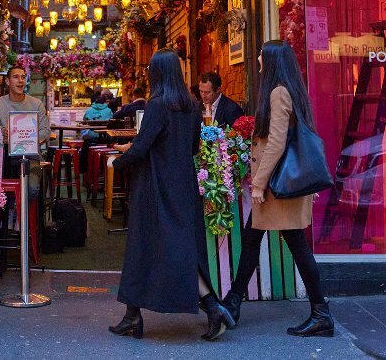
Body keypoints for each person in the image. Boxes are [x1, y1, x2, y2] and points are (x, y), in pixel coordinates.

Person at [108, 49, 235, 341]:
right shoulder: (191, 106)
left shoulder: (157, 106)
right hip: (183, 185)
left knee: (144, 247)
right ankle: (134, 315)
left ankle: (209, 308)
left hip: (155, 186)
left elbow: (141, 146)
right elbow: (192, 147)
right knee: (179, 247)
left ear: (157, 73)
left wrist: (117, 162)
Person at [223, 40, 334, 337]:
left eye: (261, 54)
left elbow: (277, 141)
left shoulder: (278, 92)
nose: (258, 57)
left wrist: (258, 184)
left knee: (295, 246)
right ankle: (233, 302)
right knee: (253, 240)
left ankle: (321, 313)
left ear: (271, 60)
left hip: (277, 186)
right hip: (283, 185)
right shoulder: (288, 90)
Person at [0, 66, 51, 177]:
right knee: (5, 188)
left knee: (32, 188)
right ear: (7, 81)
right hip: (4, 153)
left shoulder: (37, 104)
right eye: (16, 77)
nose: (20, 80)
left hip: (30, 153)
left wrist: (28, 139)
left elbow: (46, 131)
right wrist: (2, 131)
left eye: (23, 77)